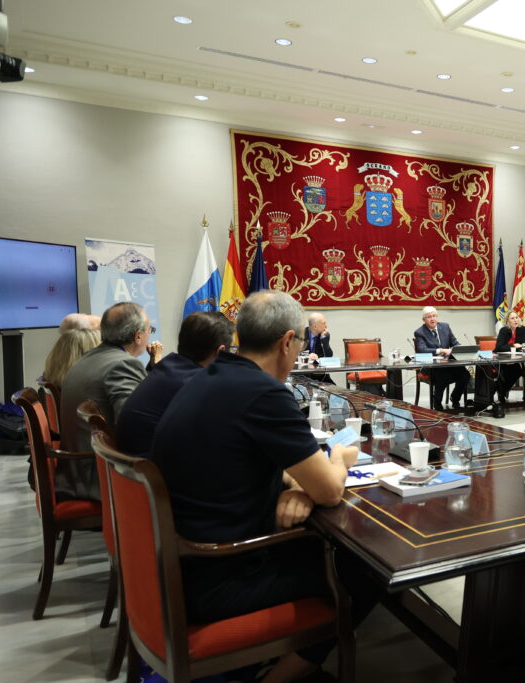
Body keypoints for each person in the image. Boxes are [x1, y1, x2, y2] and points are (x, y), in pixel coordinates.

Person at [152, 291, 377, 683]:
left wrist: (295, 486)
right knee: (365, 571)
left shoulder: (211, 375)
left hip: (183, 562)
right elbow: (329, 491)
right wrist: (341, 456)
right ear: (287, 342)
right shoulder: (264, 393)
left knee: (322, 544)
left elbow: (248, 462)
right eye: (303, 342)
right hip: (221, 577)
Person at [59, 302, 155, 500]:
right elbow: (133, 428)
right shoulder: (123, 364)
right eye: (149, 330)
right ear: (138, 336)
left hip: (76, 473)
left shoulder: (86, 359)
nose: (149, 335)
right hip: (99, 477)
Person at [116, 312, 235, 455]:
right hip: (148, 465)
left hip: (131, 461)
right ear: (221, 352)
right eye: (232, 350)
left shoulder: (168, 365)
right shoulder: (196, 384)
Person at [414, 306, 470, 411]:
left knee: (465, 375)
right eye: (429, 317)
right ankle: (437, 402)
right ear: (424, 320)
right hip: (432, 366)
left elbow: (454, 343)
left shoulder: (445, 327)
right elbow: (422, 349)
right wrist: (440, 350)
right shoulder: (420, 332)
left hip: (448, 363)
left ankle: (455, 398)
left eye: (434, 316)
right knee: (442, 376)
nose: (432, 319)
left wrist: (459, 348)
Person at [493, 310, 525, 418]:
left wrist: (519, 347)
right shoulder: (504, 330)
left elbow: (523, 344)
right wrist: (513, 346)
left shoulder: (521, 329)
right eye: (512, 318)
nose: (515, 320)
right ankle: (501, 393)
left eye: (516, 317)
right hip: (501, 360)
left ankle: (502, 392)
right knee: (504, 373)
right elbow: (499, 347)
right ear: (507, 321)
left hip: (514, 359)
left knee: (518, 372)